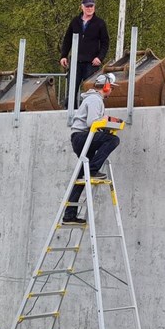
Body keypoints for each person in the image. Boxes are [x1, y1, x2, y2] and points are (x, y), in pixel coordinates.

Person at [63, 73, 120, 224]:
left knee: (81, 175)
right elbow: (92, 122)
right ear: (107, 86)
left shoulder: (92, 98)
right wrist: (108, 124)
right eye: (111, 88)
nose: (112, 91)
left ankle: (69, 215)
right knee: (113, 140)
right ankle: (94, 169)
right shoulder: (95, 99)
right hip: (83, 137)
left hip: (80, 137)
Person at [59, 0, 110, 104]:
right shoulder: (75, 22)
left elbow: (105, 43)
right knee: (71, 90)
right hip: (75, 62)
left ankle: (89, 111)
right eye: (87, 6)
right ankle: (70, 112)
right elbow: (67, 40)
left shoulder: (100, 23)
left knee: (91, 90)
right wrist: (63, 55)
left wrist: (99, 58)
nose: (89, 8)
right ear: (82, 7)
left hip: (92, 63)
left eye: (91, 6)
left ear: (94, 7)